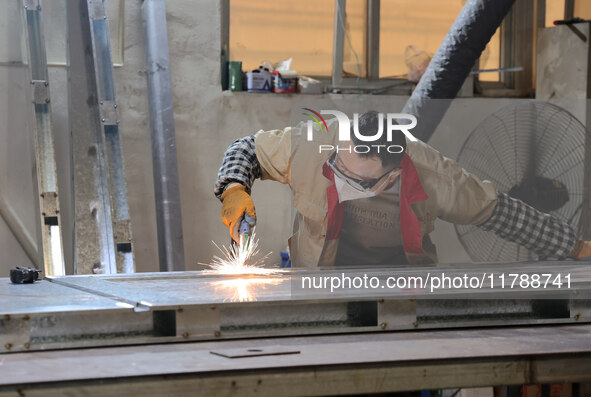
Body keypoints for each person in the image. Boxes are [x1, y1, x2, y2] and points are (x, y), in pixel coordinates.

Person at [215, 111, 591, 267]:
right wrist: (234, 189)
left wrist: (575, 248)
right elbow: (246, 149)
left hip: (399, 291)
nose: (341, 183)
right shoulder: (313, 145)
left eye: (357, 182)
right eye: (339, 169)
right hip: (319, 287)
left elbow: (500, 212)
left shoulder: (435, 176)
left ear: (391, 176)